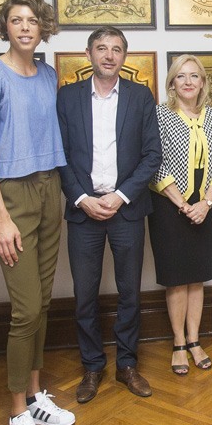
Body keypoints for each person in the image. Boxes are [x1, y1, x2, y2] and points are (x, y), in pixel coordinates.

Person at [0, 0, 75, 425]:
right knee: (25, 309)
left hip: (51, 187)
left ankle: (34, 395)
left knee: (43, 302)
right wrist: (1, 217)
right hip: (13, 194)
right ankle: (16, 413)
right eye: (16, 20)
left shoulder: (48, 75)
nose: (26, 27)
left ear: (43, 28)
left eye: (33, 20)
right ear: (5, 27)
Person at [58, 27, 162, 400]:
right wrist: (82, 198)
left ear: (124, 57)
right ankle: (91, 367)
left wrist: (119, 197)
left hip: (126, 211)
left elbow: (152, 155)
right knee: (85, 294)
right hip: (83, 212)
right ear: (88, 54)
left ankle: (127, 365)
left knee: (129, 292)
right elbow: (60, 155)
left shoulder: (140, 96)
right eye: (101, 48)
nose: (109, 55)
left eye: (116, 49)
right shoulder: (68, 97)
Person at [150, 54, 212, 374]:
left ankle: (195, 340)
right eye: (181, 76)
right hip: (169, 209)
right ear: (172, 82)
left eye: (194, 76)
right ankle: (179, 343)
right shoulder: (160, 114)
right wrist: (183, 205)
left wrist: (205, 203)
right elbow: (154, 161)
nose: (187, 81)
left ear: (203, 82)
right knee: (176, 279)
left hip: (204, 208)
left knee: (197, 278)